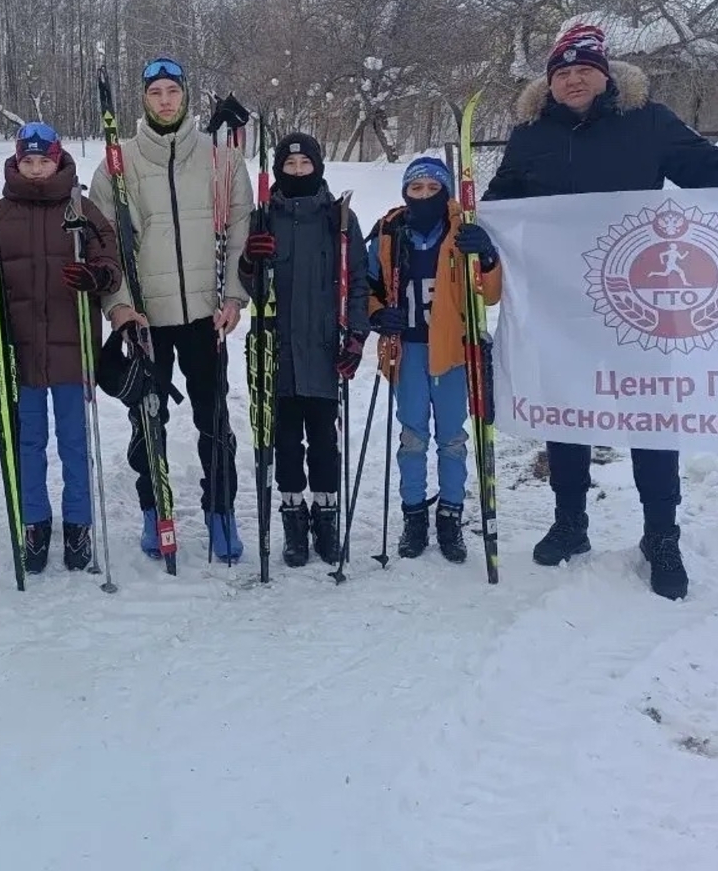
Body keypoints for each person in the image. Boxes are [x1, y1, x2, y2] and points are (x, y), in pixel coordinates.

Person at [481, 22, 718, 599]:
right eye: (561, 72)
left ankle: (661, 536)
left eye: (583, 69)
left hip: (637, 302)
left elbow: (715, 169)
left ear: (604, 75)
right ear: (548, 83)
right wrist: (485, 230)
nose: (573, 79)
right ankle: (571, 522)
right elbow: (507, 196)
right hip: (558, 300)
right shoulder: (531, 133)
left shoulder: (647, 121)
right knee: (566, 412)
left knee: (650, 415)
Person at [89, 57, 253, 561]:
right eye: (156, 91)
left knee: (215, 418)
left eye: (173, 91)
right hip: (146, 320)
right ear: (144, 97)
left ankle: (220, 510)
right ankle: (152, 508)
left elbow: (240, 228)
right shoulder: (120, 162)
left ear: (185, 96)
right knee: (148, 421)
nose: (165, 100)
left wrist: (233, 297)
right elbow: (104, 244)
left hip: (206, 315)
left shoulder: (219, 157)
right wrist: (119, 308)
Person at [0, 123, 122, 573]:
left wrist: (98, 277)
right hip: (22, 350)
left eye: (44, 161)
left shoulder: (81, 207)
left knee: (73, 441)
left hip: (74, 348)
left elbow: (110, 259)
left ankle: (78, 524)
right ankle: (35, 522)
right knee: (27, 441)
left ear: (58, 160)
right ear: (17, 161)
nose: (36, 170)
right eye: (28, 161)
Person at [235, 133, 369, 567]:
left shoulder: (339, 219)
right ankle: (293, 520)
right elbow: (251, 286)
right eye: (289, 166)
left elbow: (359, 282)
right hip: (277, 349)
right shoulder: (263, 218)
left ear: (318, 167)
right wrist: (250, 261)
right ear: (278, 170)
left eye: (304, 165)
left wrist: (356, 337)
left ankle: (326, 517)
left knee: (324, 442)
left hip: (324, 347)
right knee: (286, 442)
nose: (297, 172)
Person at [367, 156, 504, 562]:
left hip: (451, 351)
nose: (424, 195)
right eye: (416, 189)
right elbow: (366, 284)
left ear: (444, 191)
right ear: (405, 193)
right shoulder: (390, 231)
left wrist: (488, 256)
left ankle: (450, 513)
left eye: (432, 188)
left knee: (452, 438)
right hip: (406, 349)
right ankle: (413, 515)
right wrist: (377, 313)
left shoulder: (463, 230)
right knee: (412, 437)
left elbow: (490, 294)